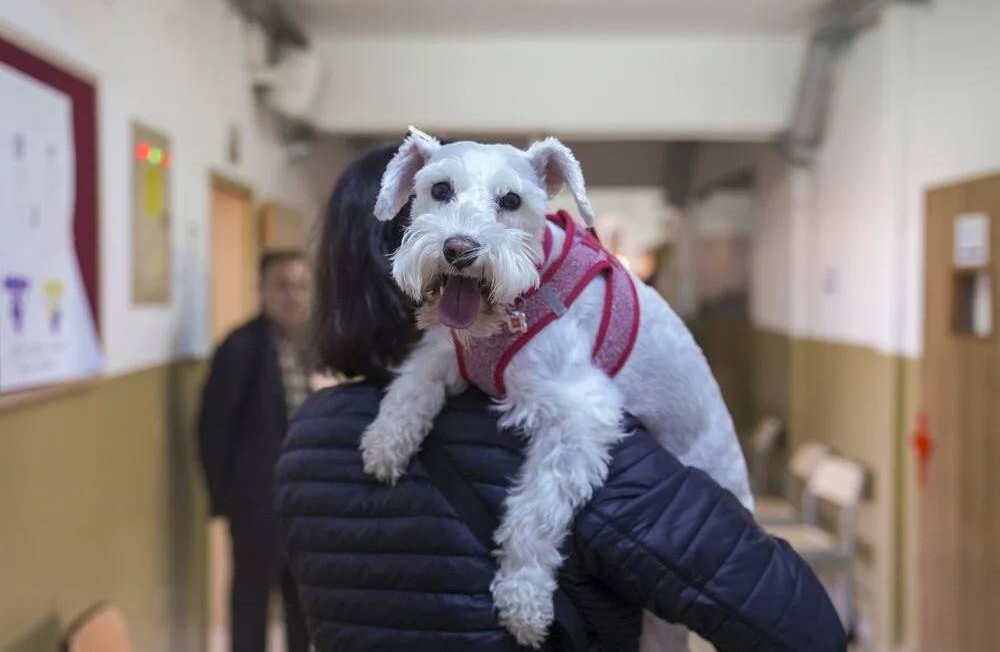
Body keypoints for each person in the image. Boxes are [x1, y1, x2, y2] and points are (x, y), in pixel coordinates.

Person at [274, 146, 847, 652]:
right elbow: (798, 627)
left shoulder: (306, 441)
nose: (462, 235)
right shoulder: (589, 450)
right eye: (440, 196)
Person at [199, 249, 311, 652]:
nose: (293, 296)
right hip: (255, 501)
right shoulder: (240, 347)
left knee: (302, 599)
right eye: (282, 286)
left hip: (303, 498)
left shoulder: (312, 344)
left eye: (300, 286)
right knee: (251, 599)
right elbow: (213, 429)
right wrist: (225, 500)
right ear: (261, 290)